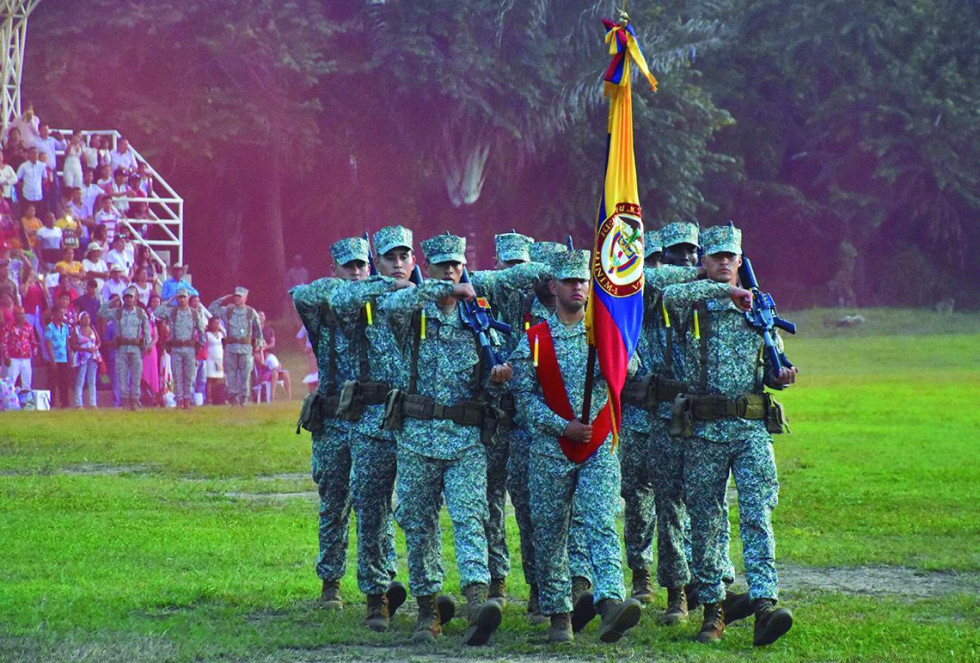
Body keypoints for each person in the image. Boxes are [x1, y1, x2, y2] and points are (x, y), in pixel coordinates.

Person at [662, 224, 796, 647]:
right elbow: (668, 297)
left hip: (751, 430)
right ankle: (713, 608)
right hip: (704, 431)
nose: (723, 262)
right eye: (716, 256)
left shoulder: (758, 310)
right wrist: (723, 293)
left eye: (730, 257)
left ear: (740, 261)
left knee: (757, 515)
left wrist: (783, 375)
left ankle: (763, 606)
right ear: (704, 262)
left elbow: (773, 365)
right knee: (706, 521)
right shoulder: (696, 302)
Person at [381, 232, 509, 646]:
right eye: (442, 266)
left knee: (471, 518)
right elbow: (390, 302)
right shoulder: (413, 309)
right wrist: (442, 288)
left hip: (465, 439)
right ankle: (428, 608)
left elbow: (497, 380)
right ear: (428, 268)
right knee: (419, 525)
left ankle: (476, 603)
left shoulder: (477, 317)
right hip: (417, 438)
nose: (452, 271)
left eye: (457, 265)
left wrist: (497, 380)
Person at [510, 249, 642, 645]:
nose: (578, 287)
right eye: (569, 281)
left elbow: (630, 371)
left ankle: (610, 603)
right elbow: (524, 398)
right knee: (550, 531)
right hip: (551, 449)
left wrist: (610, 345)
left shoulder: (602, 332)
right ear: (554, 287)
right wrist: (561, 425)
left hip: (598, 446)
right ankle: (558, 614)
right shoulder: (534, 338)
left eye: (584, 281)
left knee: (601, 519)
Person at [291, 234, 414, 631]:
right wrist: (375, 284)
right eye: (350, 267)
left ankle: (383, 580)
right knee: (334, 501)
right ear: (336, 269)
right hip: (332, 419)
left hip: (370, 417)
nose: (358, 272)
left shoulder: (381, 304)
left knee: (372, 499)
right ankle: (331, 581)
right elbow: (304, 293)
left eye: (363, 265)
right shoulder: (323, 303)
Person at [466, 231, 552, 607]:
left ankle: (538, 585)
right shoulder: (485, 291)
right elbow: (482, 279)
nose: (516, 274)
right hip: (493, 419)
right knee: (489, 504)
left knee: (533, 506)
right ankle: (497, 579)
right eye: (510, 264)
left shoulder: (545, 304)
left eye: (523, 265)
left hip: (530, 422)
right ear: (499, 263)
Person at [98, 285, 151, 410]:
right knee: (122, 376)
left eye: (130, 297)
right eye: (126, 297)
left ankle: (134, 401)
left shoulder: (140, 312)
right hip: (121, 348)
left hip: (136, 348)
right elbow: (101, 312)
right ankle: (125, 402)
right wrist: (111, 301)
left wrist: (146, 344)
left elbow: (147, 329)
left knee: (136, 375)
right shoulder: (117, 312)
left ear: (135, 299)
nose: (128, 300)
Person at [208, 286, 263, 406]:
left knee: (245, 375)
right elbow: (211, 309)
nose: (237, 298)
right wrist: (223, 299)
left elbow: (258, 331)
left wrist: (258, 346)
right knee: (231, 375)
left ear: (245, 298)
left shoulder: (250, 312)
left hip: (246, 348)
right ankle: (233, 399)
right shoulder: (228, 310)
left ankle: (243, 399)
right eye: (235, 296)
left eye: (239, 296)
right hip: (231, 348)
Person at [155, 286, 205, 409]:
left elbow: (201, 330)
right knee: (177, 376)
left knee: (189, 376)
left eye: (184, 297)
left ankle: (187, 400)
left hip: (189, 348)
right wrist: (170, 300)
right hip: (176, 348)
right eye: (180, 297)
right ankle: (179, 400)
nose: (182, 300)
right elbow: (157, 312)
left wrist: (200, 345)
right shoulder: (172, 312)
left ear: (188, 298)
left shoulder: (194, 313)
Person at [2, 306, 39, 392]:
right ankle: (8, 402)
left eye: (23, 313)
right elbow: (4, 342)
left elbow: (33, 341)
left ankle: (26, 402)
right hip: (13, 358)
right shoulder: (8, 327)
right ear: (15, 315)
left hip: (26, 358)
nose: (22, 316)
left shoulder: (28, 326)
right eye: (19, 314)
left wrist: (35, 353)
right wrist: (6, 357)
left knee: (26, 383)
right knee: (10, 382)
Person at [43, 305, 72, 408]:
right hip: (54, 359)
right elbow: (48, 343)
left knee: (64, 382)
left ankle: (64, 403)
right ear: (54, 314)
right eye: (59, 313)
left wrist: (70, 356)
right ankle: (50, 404)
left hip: (63, 358)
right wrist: (52, 359)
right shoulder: (49, 327)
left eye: (62, 313)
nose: (61, 315)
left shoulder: (65, 327)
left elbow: (67, 342)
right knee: (52, 382)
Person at [71, 310, 101, 408]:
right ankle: (79, 403)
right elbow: (73, 345)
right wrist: (85, 349)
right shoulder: (76, 330)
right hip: (82, 357)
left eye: (88, 317)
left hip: (93, 356)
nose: (87, 320)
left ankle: (93, 403)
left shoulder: (92, 328)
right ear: (80, 319)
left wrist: (95, 348)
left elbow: (98, 341)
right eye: (85, 318)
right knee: (81, 380)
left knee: (92, 380)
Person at [16, 147, 47, 219]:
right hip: (27, 196)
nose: (35, 155)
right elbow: (17, 179)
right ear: (29, 154)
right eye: (33, 153)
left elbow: (45, 178)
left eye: (36, 153)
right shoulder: (23, 166)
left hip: (38, 196)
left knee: (39, 217)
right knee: (26, 217)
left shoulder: (42, 165)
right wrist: (23, 187)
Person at [204, 315, 225, 404]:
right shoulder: (207, 335)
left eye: (218, 323)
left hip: (219, 360)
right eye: (215, 323)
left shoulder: (221, 335)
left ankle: (217, 398)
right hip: (210, 360)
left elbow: (224, 346)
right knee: (210, 379)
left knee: (218, 379)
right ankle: (209, 398)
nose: (216, 325)